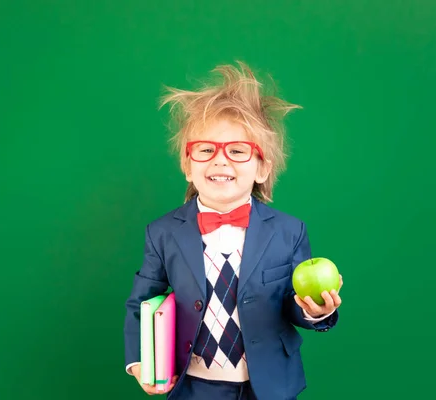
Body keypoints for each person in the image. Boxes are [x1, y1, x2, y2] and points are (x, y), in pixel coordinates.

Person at [123, 61, 343, 400]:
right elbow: (142, 301)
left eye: (238, 151)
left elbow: (292, 304)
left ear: (262, 168)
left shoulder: (289, 231)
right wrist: (140, 361)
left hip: (268, 385)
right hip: (195, 384)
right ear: (187, 165)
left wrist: (316, 310)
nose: (220, 161)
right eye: (206, 149)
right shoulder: (162, 232)